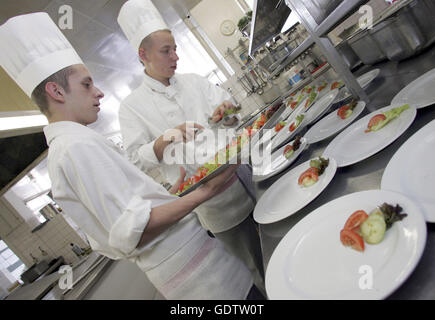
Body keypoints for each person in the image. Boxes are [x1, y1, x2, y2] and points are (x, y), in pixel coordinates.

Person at [0, 12, 264, 300]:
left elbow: (132, 210)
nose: (99, 92)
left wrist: (174, 193)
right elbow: (133, 229)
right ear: (56, 91)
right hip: (203, 270)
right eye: (87, 84)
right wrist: (202, 191)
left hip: (218, 226)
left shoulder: (78, 142)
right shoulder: (77, 146)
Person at [117, 0, 265, 294]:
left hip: (244, 177)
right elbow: (134, 160)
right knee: (255, 265)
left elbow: (230, 114)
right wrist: (164, 139)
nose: (175, 56)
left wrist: (226, 110)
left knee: (274, 235)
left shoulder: (194, 82)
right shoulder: (132, 108)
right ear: (143, 55)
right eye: (166, 51)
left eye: (174, 48)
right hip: (214, 206)